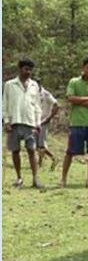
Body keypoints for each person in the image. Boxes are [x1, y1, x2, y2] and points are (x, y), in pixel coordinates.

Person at [61, 57, 88, 188]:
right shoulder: (74, 82)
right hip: (76, 122)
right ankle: (63, 179)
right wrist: (86, 98)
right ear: (83, 68)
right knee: (70, 151)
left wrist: (81, 100)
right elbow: (70, 98)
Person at [2, 58, 42, 188]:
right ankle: (19, 177)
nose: (28, 72)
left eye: (30, 70)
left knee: (32, 150)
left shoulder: (34, 85)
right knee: (15, 151)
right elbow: (4, 104)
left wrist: (38, 122)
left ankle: (35, 179)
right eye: (26, 69)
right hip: (14, 122)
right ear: (20, 69)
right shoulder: (9, 85)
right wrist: (6, 121)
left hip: (30, 122)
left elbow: (37, 105)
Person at [36, 78, 59, 170]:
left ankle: (54, 158)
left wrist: (49, 117)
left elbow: (56, 105)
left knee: (41, 144)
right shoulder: (33, 93)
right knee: (37, 144)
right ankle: (40, 163)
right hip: (36, 121)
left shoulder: (46, 94)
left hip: (44, 121)